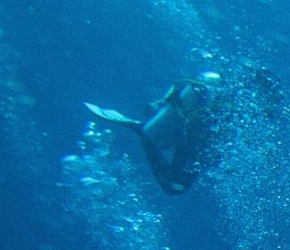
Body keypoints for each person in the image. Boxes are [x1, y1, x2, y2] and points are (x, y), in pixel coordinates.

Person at [85, 73, 224, 193]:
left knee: (175, 185)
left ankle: (148, 128)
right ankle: (147, 131)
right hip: (198, 135)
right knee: (175, 186)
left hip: (196, 130)